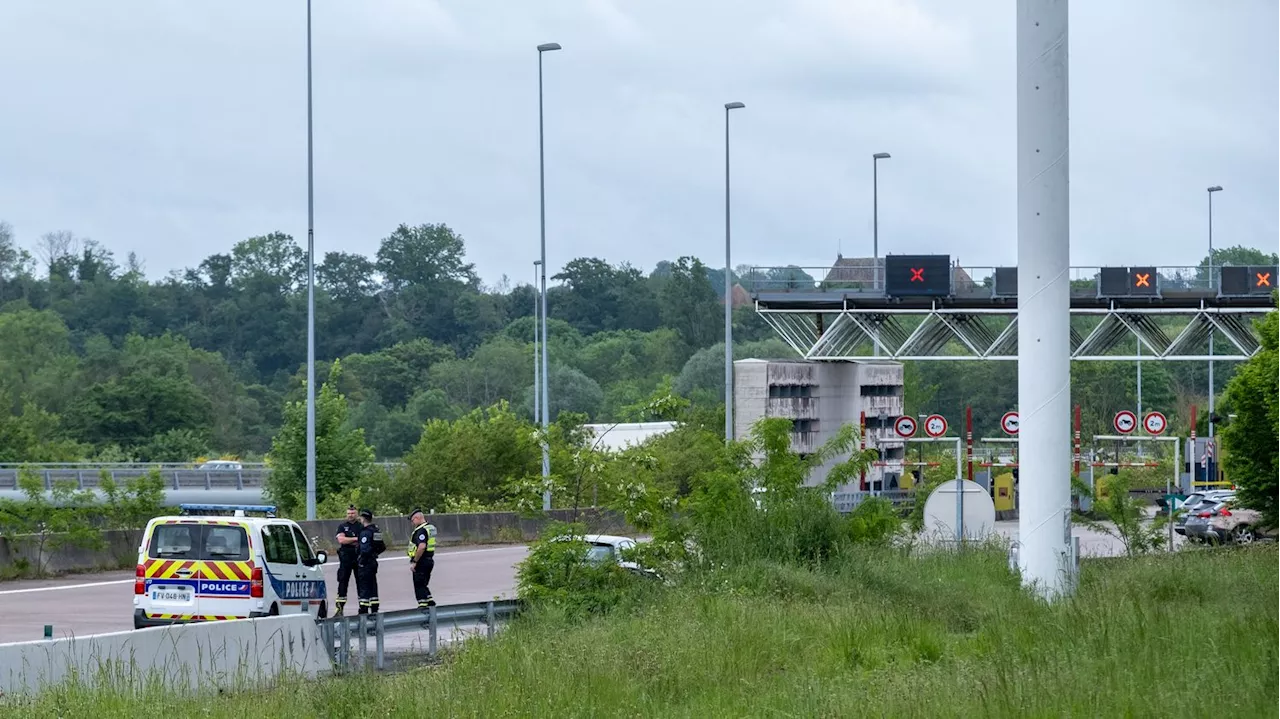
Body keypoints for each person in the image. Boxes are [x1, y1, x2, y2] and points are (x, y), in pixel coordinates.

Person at [355, 508, 385, 614]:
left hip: (366, 563)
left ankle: (363, 609)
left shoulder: (365, 533)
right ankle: (374, 607)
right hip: (373, 562)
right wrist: (375, 554)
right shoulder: (376, 531)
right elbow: (382, 547)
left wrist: (362, 560)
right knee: (372, 584)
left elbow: (364, 549)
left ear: (363, 519)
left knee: (364, 586)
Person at [333, 505, 361, 616]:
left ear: (356, 514)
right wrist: (355, 539)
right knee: (343, 582)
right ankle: (339, 609)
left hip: (359, 557)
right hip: (346, 558)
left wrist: (348, 540)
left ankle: (362, 608)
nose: (350, 515)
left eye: (353, 513)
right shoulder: (342, 526)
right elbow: (341, 540)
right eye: (349, 513)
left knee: (361, 583)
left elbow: (364, 540)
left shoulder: (361, 526)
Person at [407, 509, 437, 611]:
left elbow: (421, 546)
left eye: (412, 520)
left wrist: (415, 561)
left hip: (421, 561)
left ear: (418, 518)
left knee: (419, 585)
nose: (412, 523)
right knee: (423, 584)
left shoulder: (421, 530)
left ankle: (422, 608)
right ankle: (430, 602)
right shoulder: (430, 528)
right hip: (429, 560)